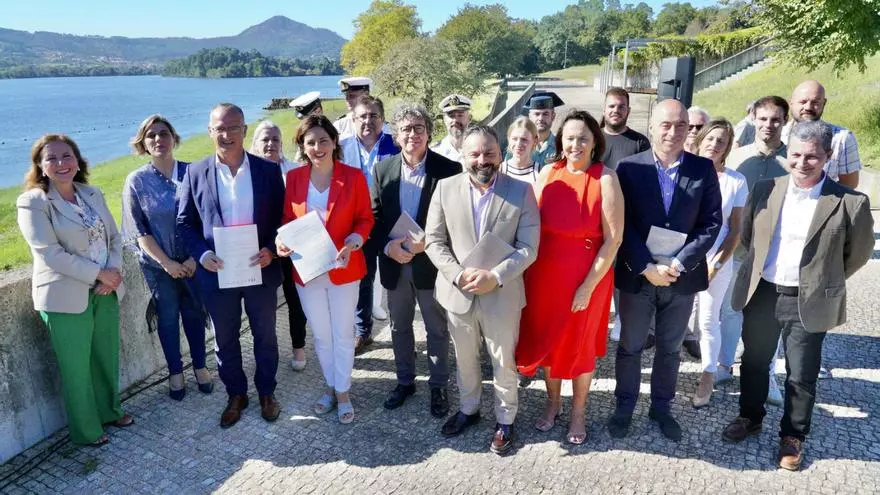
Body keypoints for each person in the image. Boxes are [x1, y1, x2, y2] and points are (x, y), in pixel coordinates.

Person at [721, 120, 873, 471]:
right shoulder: (765, 189)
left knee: (801, 372)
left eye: (812, 157)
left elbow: (858, 253)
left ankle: (793, 435)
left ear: (828, 156)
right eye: (795, 155)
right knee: (754, 361)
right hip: (763, 293)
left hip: (808, 298)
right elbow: (749, 238)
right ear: (786, 153)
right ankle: (750, 417)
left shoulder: (850, 202)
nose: (802, 163)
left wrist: (823, 279)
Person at [609, 99, 722, 442]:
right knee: (630, 346)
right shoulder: (629, 168)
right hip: (638, 274)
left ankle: (661, 409)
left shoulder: (703, 169)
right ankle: (624, 407)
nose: (674, 131)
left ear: (689, 129)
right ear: (652, 127)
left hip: (680, 277)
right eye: (666, 124)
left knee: (670, 350)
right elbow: (621, 223)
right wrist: (646, 266)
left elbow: (711, 223)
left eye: (681, 125)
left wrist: (678, 262)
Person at [425, 125, 540, 455]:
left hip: (501, 294)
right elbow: (433, 241)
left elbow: (529, 247)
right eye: (474, 154)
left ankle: (505, 419)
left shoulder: (521, 191)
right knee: (464, 359)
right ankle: (469, 409)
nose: (482, 160)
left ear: (500, 153)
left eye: (489, 153)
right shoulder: (445, 188)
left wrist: (496, 276)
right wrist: (457, 275)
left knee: (503, 361)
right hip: (458, 293)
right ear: (463, 156)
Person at [17, 134, 133, 446]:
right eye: (51, 158)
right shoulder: (33, 202)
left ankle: (110, 411)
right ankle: (86, 430)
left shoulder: (91, 193)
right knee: (76, 369)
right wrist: (99, 274)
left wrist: (113, 273)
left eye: (67, 156)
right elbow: (49, 253)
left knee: (105, 357)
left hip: (106, 291)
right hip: (64, 297)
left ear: (78, 161)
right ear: (40, 166)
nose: (61, 163)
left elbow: (114, 238)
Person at [516, 110, 624, 444]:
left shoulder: (606, 178)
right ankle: (553, 403)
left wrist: (587, 287)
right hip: (544, 277)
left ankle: (578, 411)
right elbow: (527, 222)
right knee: (549, 343)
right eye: (570, 138)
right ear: (560, 141)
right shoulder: (548, 172)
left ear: (595, 143)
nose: (575, 144)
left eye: (583, 138)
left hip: (587, 278)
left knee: (580, 347)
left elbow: (613, 240)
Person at [177, 103, 285, 429]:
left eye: (233, 127)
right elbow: (184, 224)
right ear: (210, 132)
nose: (226, 135)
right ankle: (236, 395)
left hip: (260, 269)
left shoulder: (267, 171)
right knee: (224, 340)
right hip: (217, 273)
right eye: (220, 128)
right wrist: (201, 255)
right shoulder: (195, 173)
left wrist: (271, 250)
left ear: (245, 130)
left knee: (265, 336)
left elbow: (283, 219)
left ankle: (266, 392)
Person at [276, 115, 374, 424]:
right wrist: (281, 241)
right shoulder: (294, 178)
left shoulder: (353, 176)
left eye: (323, 141)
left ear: (334, 142)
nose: (317, 147)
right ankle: (330, 386)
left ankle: (342, 392)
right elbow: (287, 220)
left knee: (343, 333)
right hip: (308, 270)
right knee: (321, 335)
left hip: (344, 267)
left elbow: (365, 218)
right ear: (302, 146)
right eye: (310, 142)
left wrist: (355, 240)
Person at [371, 103, 461, 417]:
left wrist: (431, 244)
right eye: (406, 129)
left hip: (431, 265)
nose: (413, 134)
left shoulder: (449, 170)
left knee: (437, 329)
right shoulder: (382, 170)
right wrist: (387, 247)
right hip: (395, 264)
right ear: (396, 136)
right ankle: (405, 381)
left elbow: (457, 221)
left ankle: (438, 386)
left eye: (419, 128)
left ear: (429, 133)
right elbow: (374, 219)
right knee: (399, 327)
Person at [122, 115, 213, 401]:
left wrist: (193, 259)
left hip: (193, 261)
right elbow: (138, 230)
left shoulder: (192, 172)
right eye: (151, 135)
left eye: (163, 133)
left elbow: (206, 219)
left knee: (195, 314)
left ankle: (200, 366)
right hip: (158, 266)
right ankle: (175, 372)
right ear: (143, 143)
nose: (158, 139)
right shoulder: (136, 181)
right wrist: (167, 263)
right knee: (168, 319)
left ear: (173, 137)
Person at [720, 96, 790, 397]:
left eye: (775, 119)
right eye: (763, 119)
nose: (768, 125)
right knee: (730, 309)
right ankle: (723, 365)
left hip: (774, 254)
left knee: (768, 316)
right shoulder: (737, 157)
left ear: (785, 121)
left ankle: (767, 375)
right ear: (753, 119)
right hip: (737, 249)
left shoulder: (793, 161)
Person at [688, 119, 748, 408]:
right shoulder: (685, 172)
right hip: (682, 257)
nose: (714, 145)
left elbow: (735, 230)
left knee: (708, 320)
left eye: (721, 141)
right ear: (700, 140)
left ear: (728, 147)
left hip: (716, 259)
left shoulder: (736, 181)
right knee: (675, 318)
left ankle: (708, 375)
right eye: (710, 138)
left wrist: (717, 265)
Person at [340, 95, 401, 352]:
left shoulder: (396, 145)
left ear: (383, 120)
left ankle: (401, 333)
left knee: (395, 280)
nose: (368, 121)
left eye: (374, 116)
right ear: (353, 120)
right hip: (356, 225)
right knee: (362, 280)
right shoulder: (340, 148)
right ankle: (363, 332)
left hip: (389, 223)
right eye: (362, 116)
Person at [248, 120, 308, 372]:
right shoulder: (247, 171)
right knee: (264, 306)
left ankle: (299, 348)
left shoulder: (293, 170)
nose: (270, 144)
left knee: (295, 300)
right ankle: (266, 352)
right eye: (265, 139)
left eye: (275, 139)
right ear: (255, 143)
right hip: (262, 248)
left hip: (292, 246)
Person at [781, 80, 861, 189]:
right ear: (791, 103)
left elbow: (849, 185)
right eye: (803, 102)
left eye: (815, 102)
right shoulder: (779, 135)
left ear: (824, 103)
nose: (808, 107)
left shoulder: (841, 138)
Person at [600, 87, 650, 170]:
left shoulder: (640, 142)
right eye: (611, 106)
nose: (616, 110)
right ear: (604, 110)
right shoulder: (593, 139)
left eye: (621, 107)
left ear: (628, 111)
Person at [520, 91, 565, 167]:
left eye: (545, 114)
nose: (541, 118)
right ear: (530, 116)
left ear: (553, 116)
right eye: (537, 114)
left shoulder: (561, 146)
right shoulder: (520, 144)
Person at [431, 94, 472, 162]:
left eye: (460, 115)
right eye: (451, 116)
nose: (455, 120)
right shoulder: (434, 153)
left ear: (469, 118)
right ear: (444, 120)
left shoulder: (479, 149)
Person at [500, 116, 540, 184]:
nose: (518, 144)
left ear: (535, 141)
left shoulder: (539, 172)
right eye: (514, 139)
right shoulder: (500, 170)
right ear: (508, 139)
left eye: (524, 139)